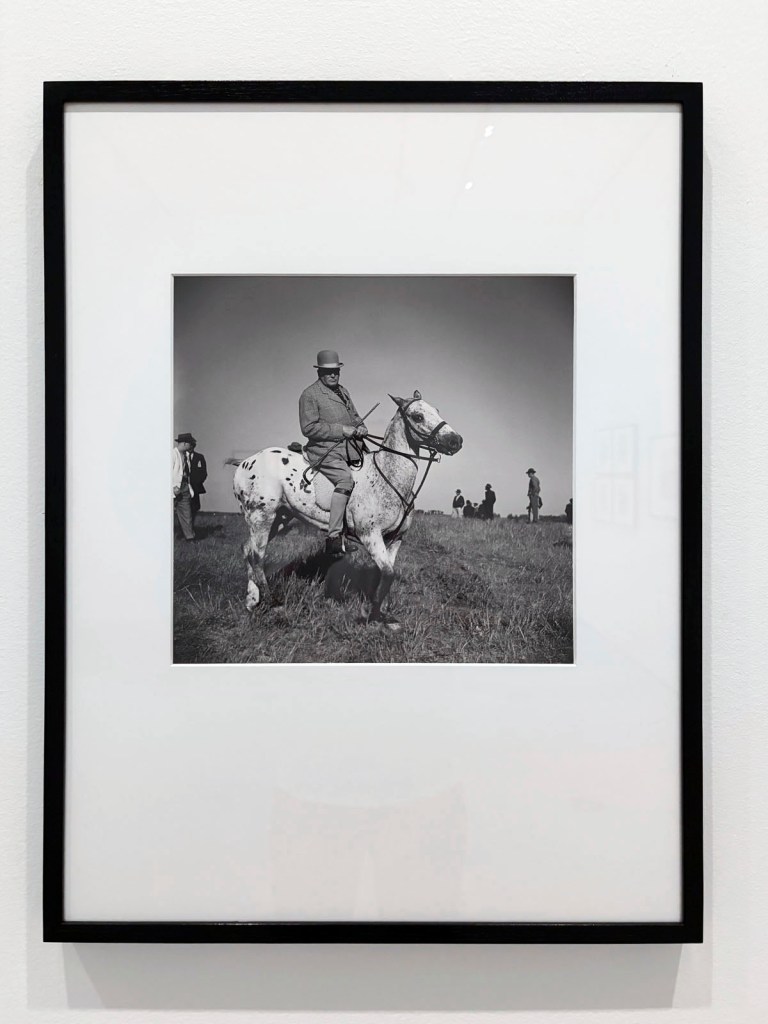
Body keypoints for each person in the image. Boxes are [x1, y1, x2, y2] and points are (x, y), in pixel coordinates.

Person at [299, 350, 368, 556]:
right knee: (346, 480)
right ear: (319, 371)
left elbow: (354, 416)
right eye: (328, 371)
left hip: (350, 449)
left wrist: (361, 426)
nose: (333, 375)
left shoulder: (343, 391)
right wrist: (341, 430)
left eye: (336, 371)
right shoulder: (309, 395)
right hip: (324, 451)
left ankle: (353, 529)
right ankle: (334, 538)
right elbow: (308, 428)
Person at [172, 432, 197, 541]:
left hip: (184, 487)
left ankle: (190, 538)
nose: (191, 446)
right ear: (185, 443)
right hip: (173, 488)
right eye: (190, 443)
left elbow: (186, 472)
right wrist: (172, 487)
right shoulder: (172, 454)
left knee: (187, 514)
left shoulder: (187, 456)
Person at [188, 438, 208, 526]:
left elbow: (204, 472)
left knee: (195, 507)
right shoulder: (181, 456)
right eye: (190, 445)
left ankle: (191, 527)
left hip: (195, 487)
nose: (191, 447)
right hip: (184, 486)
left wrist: (198, 482)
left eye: (192, 445)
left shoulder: (199, 457)